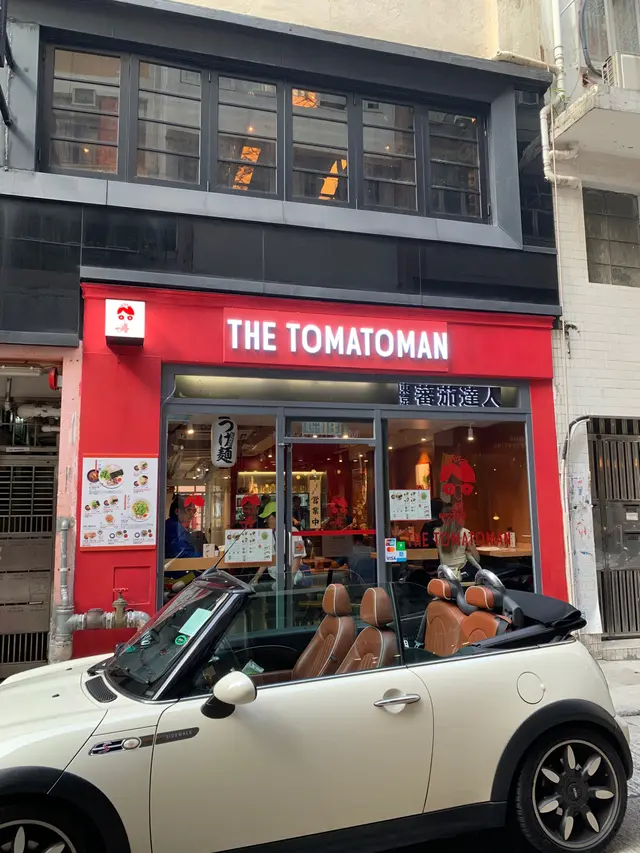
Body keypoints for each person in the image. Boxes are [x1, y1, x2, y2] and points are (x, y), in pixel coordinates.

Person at [436, 513, 480, 580]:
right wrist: (467, 552)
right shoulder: (465, 532)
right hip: (462, 573)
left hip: (445, 572)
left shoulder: (437, 532)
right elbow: (477, 559)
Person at [164, 494, 202, 559]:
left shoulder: (171, 524)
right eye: (188, 510)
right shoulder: (175, 527)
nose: (192, 515)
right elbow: (182, 554)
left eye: (194, 511)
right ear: (177, 511)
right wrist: (205, 554)